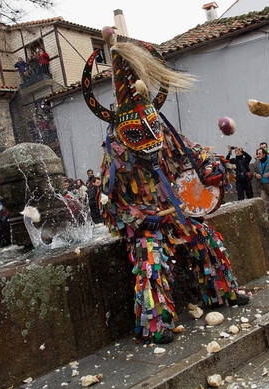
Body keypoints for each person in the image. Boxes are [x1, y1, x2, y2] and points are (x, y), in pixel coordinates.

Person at [82, 29, 248, 344]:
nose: (148, 140)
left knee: (205, 238)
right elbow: (107, 205)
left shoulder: (165, 133)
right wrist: (138, 218)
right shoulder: (115, 152)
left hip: (178, 215)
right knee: (150, 257)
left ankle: (220, 293)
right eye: (137, 133)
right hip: (147, 225)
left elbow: (199, 154)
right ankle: (154, 324)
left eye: (152, 128)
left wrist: (211, 169)